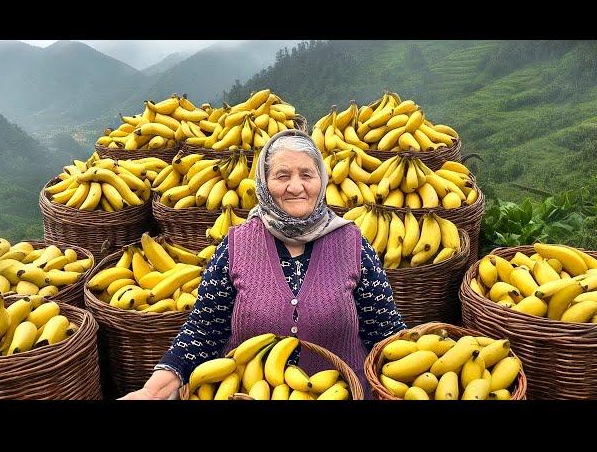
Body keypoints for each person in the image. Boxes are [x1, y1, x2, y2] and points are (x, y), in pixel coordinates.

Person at [120, 129, 406, 400]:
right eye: (282, 176)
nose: (296, 186)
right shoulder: (235, 246)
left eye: (307, 174)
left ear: (322, 181)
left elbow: (386, 331)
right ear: (263, 183)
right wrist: (153, 391)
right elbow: (203, 330)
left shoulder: (353, 244)